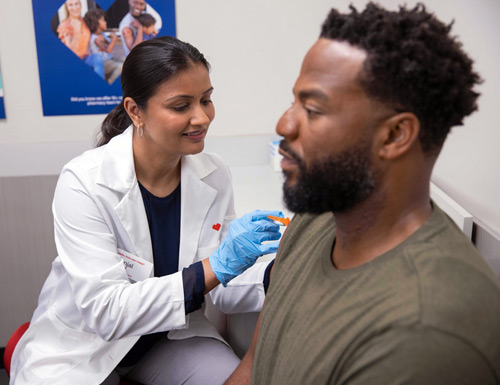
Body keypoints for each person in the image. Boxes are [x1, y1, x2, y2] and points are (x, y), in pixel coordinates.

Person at [226, 3, 500, 385]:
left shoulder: (425, 334)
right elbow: (252, 368)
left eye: (313, 108)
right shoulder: (317, 217)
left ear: (394, 135)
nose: (284, 124)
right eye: (293, 101)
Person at [10, 36, 282, 385]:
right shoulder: (84, 181)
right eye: (181, 106)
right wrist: (215, 266)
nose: (201, 117)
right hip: (86, 346)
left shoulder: (214, 175)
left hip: (170, 337)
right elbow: (105, 312)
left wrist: (273, 271)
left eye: (206, 100)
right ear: (135, 110)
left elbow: (222, 289)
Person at [57, 0, 104, 76]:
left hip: (86, 58)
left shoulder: (84, 21)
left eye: (76, 4)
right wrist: (77, 32)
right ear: (67, 7)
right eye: (71, 5)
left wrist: (98, 39)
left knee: (98, 58)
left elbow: (88, 37)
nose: (74, 7)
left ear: (80, 5)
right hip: (73, 63)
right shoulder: (65, 25)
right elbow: (70, 52)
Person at [84, 8, 123, 84]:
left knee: (126, 59)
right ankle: (110, 82)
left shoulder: (102, 34)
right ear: (96, 23)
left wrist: (108, 40)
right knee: (121, 67)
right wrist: (114, 39)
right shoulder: (95, 38)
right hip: (103, 62)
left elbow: (108, 44)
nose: (105, 22)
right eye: (103, 20)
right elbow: (108, 50)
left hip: (109, 59)